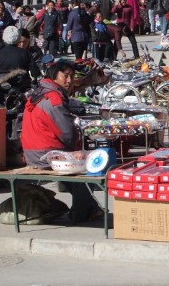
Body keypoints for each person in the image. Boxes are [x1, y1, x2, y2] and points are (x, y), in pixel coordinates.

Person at [21, 61, 103, 223]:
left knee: (75, 160)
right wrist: (78, 147)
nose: (69, 81)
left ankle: (91, 209)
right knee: (82, 165)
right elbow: (67, 132)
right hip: (44, 154)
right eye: (65, 76)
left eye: (71, 76)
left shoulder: (40, 91)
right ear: (54, 76)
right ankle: (83, 212)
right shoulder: (54, 98)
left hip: (33, 151)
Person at [0, 26, 40, 106]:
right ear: (17, 38)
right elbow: (35, 72)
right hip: (21, 91)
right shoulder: (25, 53)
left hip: (0, 92)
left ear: (4, 38)